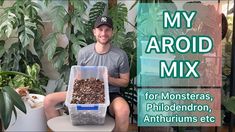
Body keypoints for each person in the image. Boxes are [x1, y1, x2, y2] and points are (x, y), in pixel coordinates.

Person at [44, 16, 130, 132]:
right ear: (94, 32)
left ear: (112, 32)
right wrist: (78, 94)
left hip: (110, 93)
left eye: (107, 30)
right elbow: (79, 78)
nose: (103, 33)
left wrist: (106, 78)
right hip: (85, 91)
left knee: (123, 110)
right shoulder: (84, 52)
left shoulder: (120, 55)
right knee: (49, 100)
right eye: (100, 29)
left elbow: (125, 82)